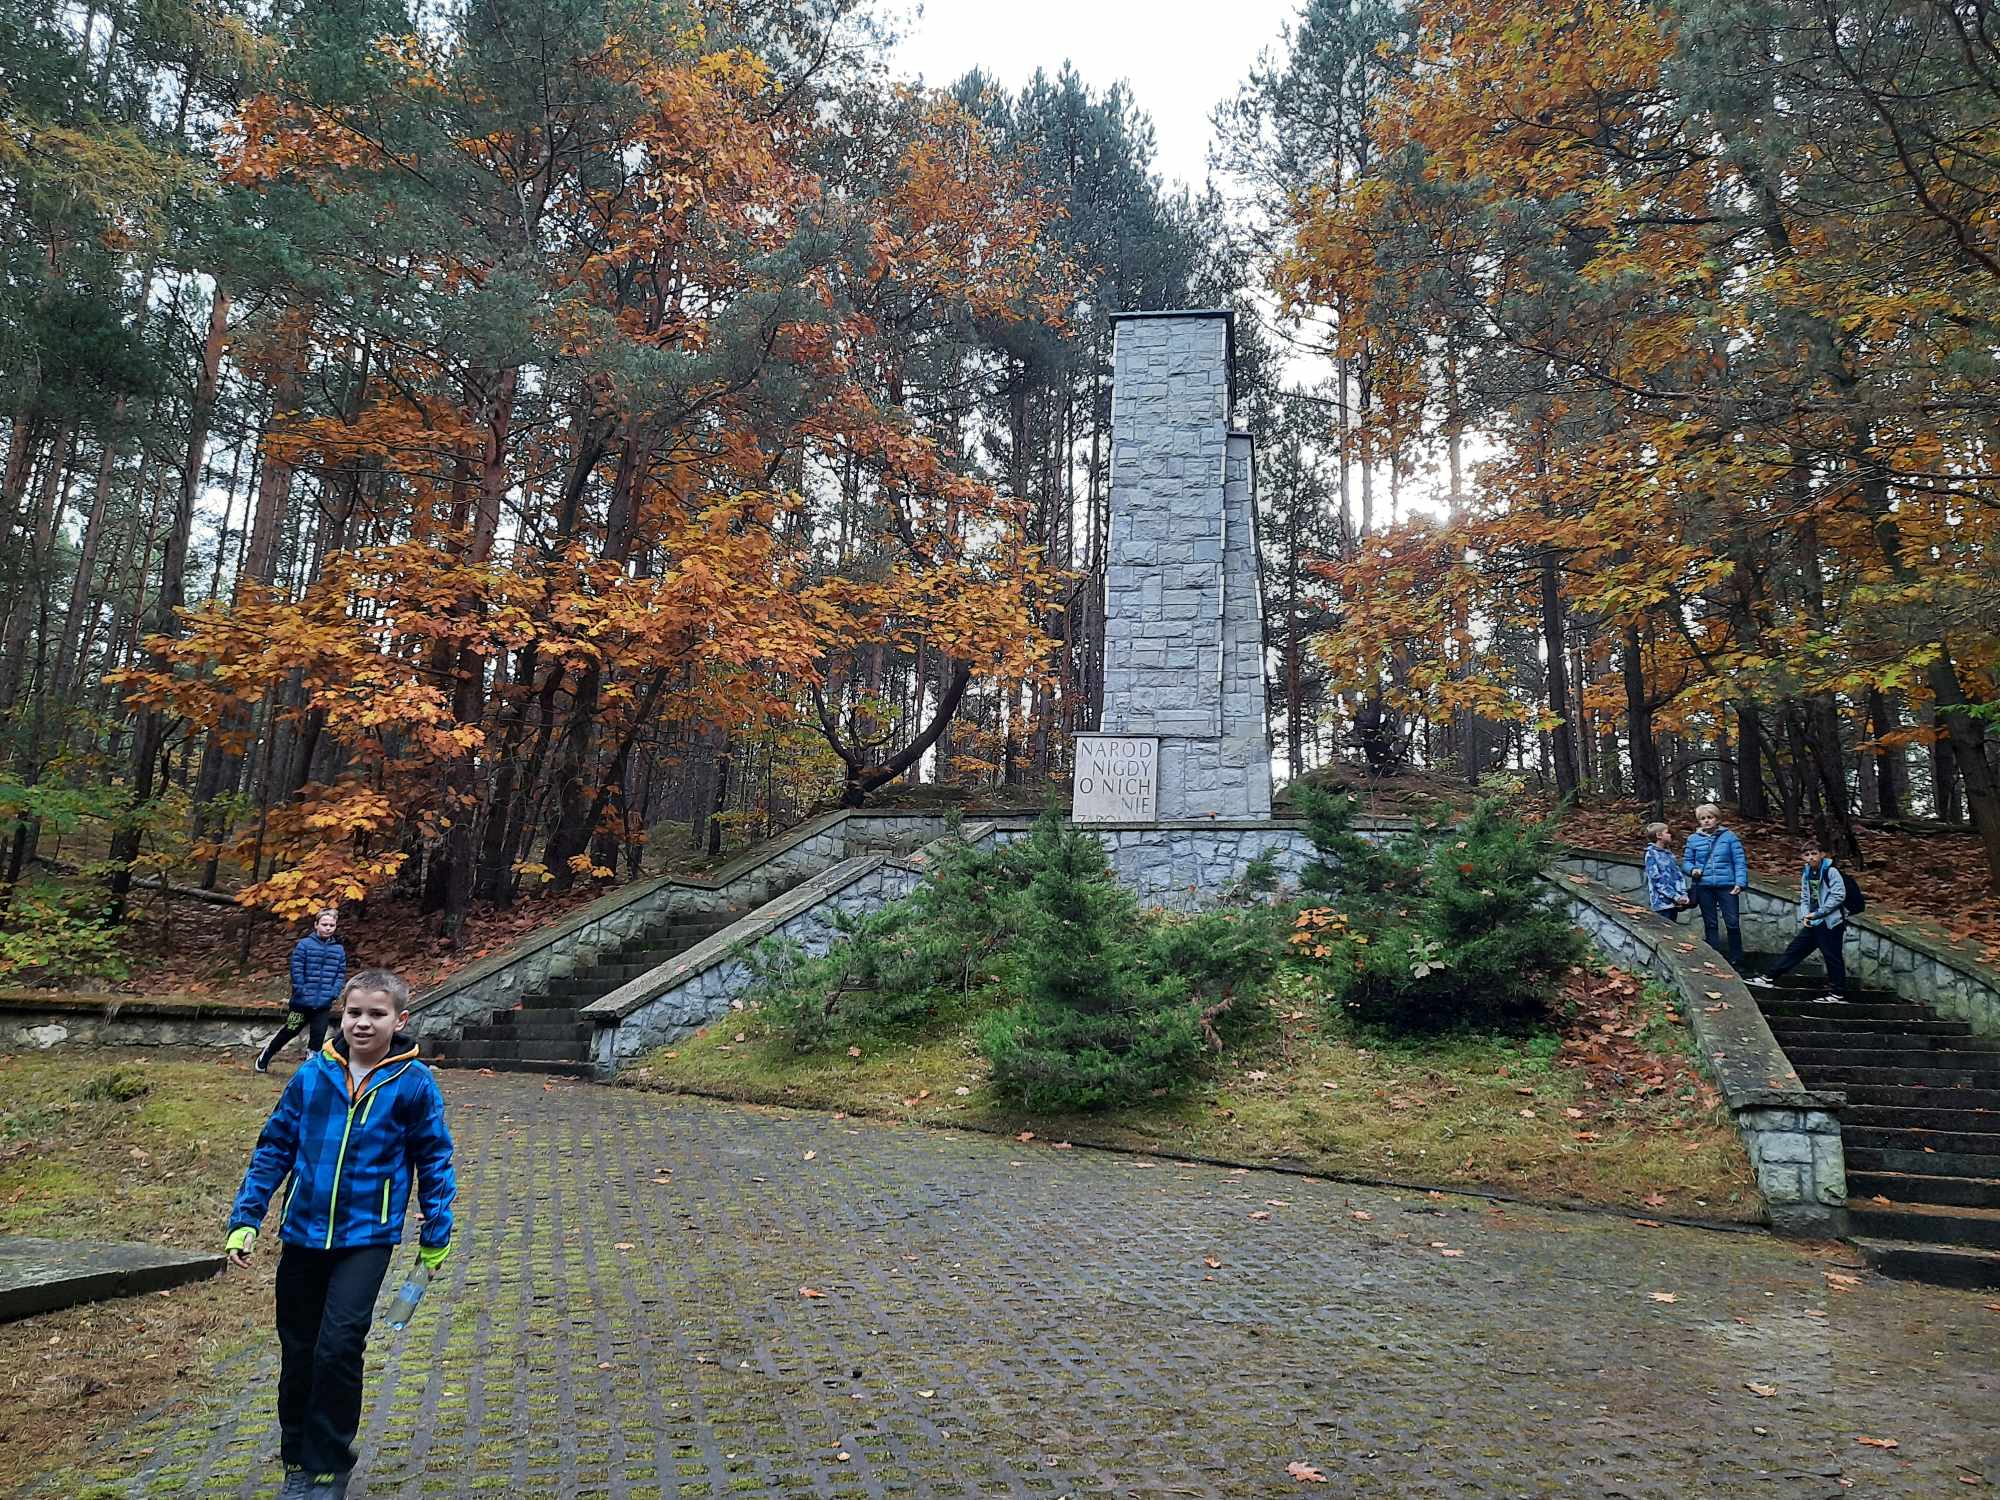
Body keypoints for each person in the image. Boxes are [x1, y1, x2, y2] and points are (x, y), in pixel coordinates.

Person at [226, 969, 456, 1500]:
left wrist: (436, 1229)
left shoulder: (414, 1082)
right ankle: (296, 1463)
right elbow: (274, 1147)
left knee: (338, 1347)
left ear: (399, 1021)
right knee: (299, 1351)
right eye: (354, 1012)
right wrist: (245, 1219)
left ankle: (329, 1466)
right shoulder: (312, 1075)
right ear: (341, 1015)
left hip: (366, 1239)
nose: (362, 1023)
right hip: (302, 1235)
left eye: (376, 1014)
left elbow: (435, 1158)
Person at [1748, 840, 1849, 1003]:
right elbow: (1804, 897)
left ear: (1822, 854)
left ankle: (1837, 993)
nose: (1811, 858)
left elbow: (1838, 895)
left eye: (1814, 853)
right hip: (1813, 921)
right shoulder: (1807, 873)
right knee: (1795, 950)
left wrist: (1818, 913)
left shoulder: (1831, 872)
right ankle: (1769, 977)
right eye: (1807, 854)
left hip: (1830, 922)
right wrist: (1806, 915)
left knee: (1832, 956)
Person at [257, 909, 347, 1074]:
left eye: (331, 925)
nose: (328, 928)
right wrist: (302, 991)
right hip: (301, 1002)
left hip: (323, 1003)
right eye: (324, 924)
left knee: (318, 1036)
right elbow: (296, 971)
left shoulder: (338, 949)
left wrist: (334, 992)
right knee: (291, 1029)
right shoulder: (304, 945)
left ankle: (310, 1069)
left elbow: (340, 974)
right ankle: (267, 1054)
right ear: (316, 925)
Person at [1681, 803, 1747, 966]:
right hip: (1704, 886)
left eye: (1710, 817)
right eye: (1703, 818)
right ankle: (1714, 958)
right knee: (1710, 923)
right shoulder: (1693, 839)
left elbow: (1739, 861)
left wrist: (1740, 882)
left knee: (1732, 922)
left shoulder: (1730, 837)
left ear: (1717, 819)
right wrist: (1693, 870)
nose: (1706, 821)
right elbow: (1686, 862)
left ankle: (1737, 958)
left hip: (1727, 885)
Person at [1643, 821, 1688, 921]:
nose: (1670, 835)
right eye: (1667, 832)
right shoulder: (1651, 854)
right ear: (1659, 836)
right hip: (1661, 905)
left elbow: (1678, 876)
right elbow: (1656, 880)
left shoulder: (1669, 855)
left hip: (1675, 904)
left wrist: (1682, 894)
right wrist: (1675, 896)